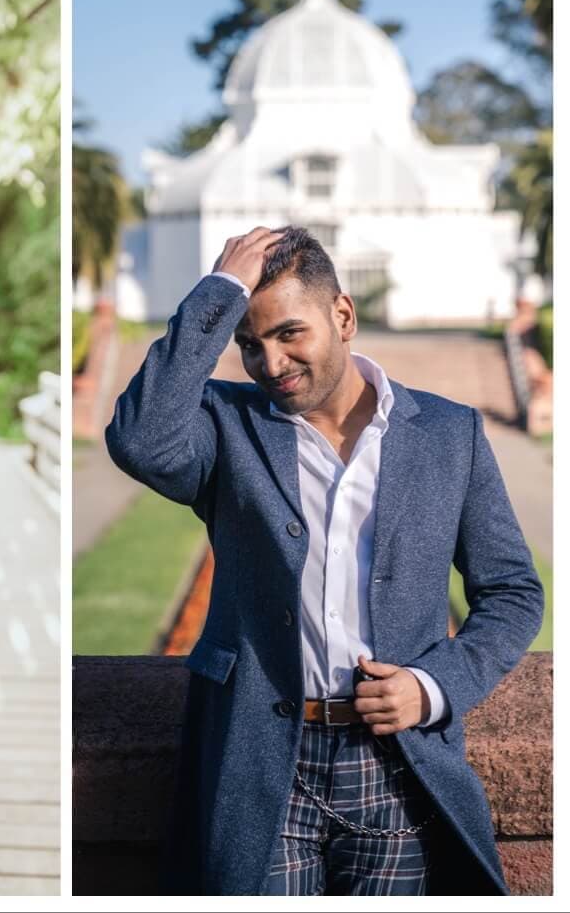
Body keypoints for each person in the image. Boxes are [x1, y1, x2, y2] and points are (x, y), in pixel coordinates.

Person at [105, 226, 543, 895]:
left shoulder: (450, 434)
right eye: (249, 344)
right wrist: (216, 293)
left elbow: (512, 592)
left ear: (343, 314)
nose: (270, 362)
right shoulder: (228, 426)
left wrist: (431, 688)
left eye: (288, 333)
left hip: (395, 763)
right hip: (261, 762)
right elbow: (139, 438)